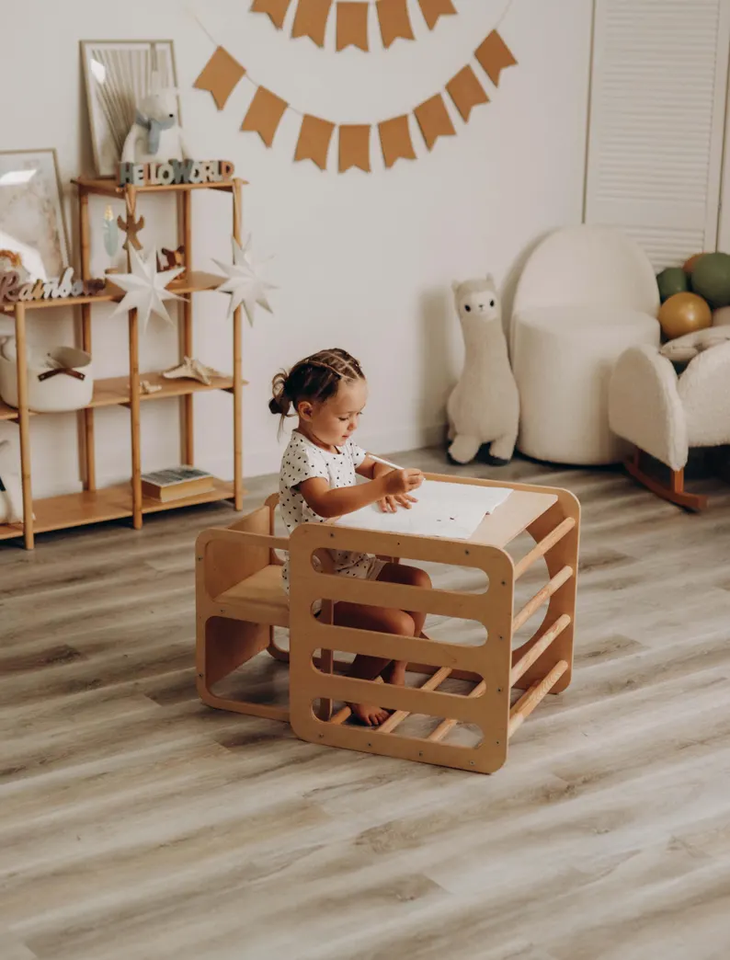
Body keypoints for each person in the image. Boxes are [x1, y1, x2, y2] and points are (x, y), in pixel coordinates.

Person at [270, 348, 431, 727]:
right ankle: (356, 685)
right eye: (345, 417)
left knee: (419, 583)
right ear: (307, 411)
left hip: (356, 564)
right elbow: (324, 503)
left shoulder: (339, 443)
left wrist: (388, 482)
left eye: (359, 414)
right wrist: (381, 488)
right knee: (400, 625)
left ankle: (393, 669)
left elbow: (374, 465)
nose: (353, 425)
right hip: (319, 583)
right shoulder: (303, 455)